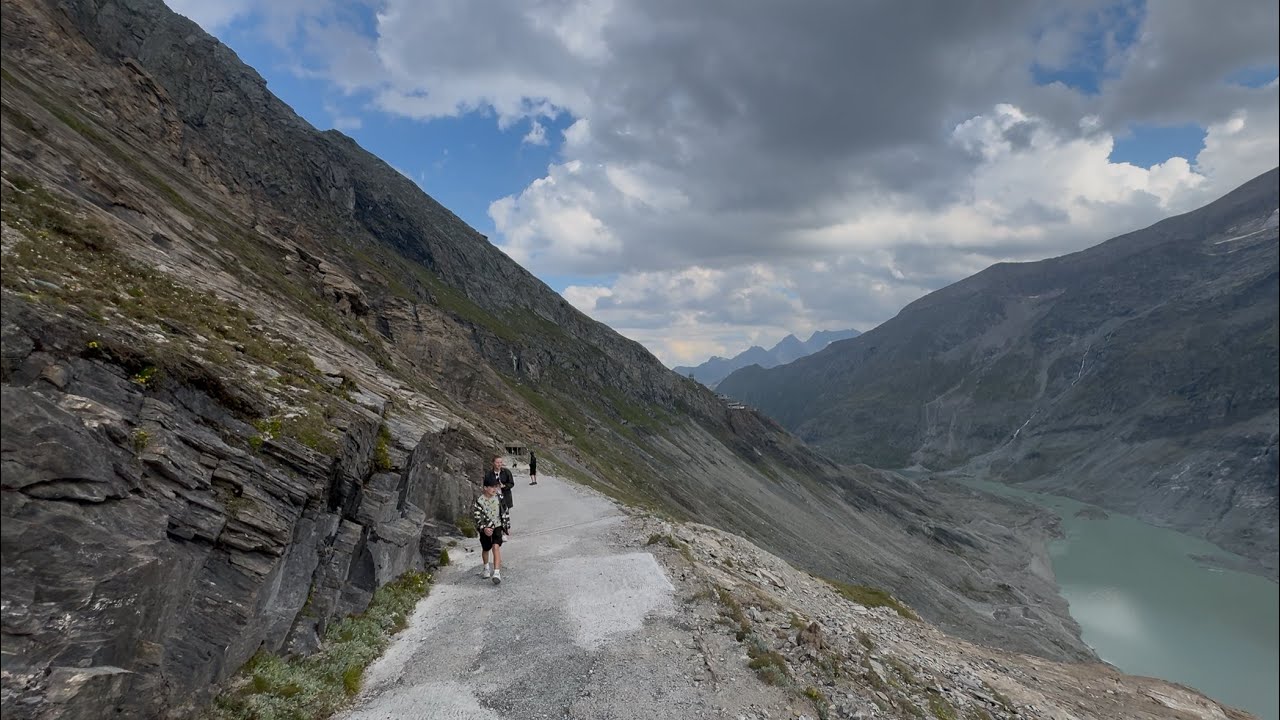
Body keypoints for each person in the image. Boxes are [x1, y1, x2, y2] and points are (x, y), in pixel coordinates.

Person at [473, 474, 510, 584]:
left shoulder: (499, 497)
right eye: (492, 487)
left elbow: (505, 511)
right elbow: (477, 516)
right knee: (486, 548)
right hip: (486, 528)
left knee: (496, 547)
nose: (495, 489)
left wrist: (506, 526)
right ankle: (486, 568)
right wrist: (483, 528)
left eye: (496, 487)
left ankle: (497, 572)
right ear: (485, 488)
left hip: (497, 526)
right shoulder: (479, 501)